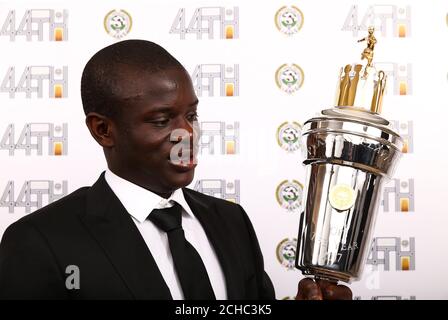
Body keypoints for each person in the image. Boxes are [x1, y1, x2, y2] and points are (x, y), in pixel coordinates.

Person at [0, 40, 351, 300]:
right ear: (103, 130)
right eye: (161, 120)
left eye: (192, 115)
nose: (187, 134)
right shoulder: (38, 242)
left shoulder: (231, 221)